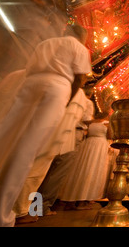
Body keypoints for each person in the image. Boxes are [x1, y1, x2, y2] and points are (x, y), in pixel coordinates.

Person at [0, 24, 91, 227]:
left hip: (29, 86)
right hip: (55, 90)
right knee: (26, 152)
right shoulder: (78, 48)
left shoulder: (45, 44)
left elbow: (30, 69)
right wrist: (66, 100)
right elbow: (79, 79)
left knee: (1, 140)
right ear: (81, 37)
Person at [13, 87, 92, 224]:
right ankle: (38, 208)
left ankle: (30, 208)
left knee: (44, 171)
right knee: (52, 172)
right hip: (69, 131)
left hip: (50, 127)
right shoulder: (81, 97)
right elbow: (84, 118)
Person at [36, 88, 94, 216]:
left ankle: (32, 206)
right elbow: (86, 118)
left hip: (55, 128)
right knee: (59, 171)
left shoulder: (65, 92)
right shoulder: (86, 101)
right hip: (73, 133)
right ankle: (43, 206)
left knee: (44, 168)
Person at [58, 111, 112, 209]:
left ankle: (70, 201)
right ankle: (82, 202)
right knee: (92, 171)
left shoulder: (91, 122)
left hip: (88, 144)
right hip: (99, 146)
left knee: (80, 170)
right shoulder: (107, 123)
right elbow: (110, 136)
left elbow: (86, 133)